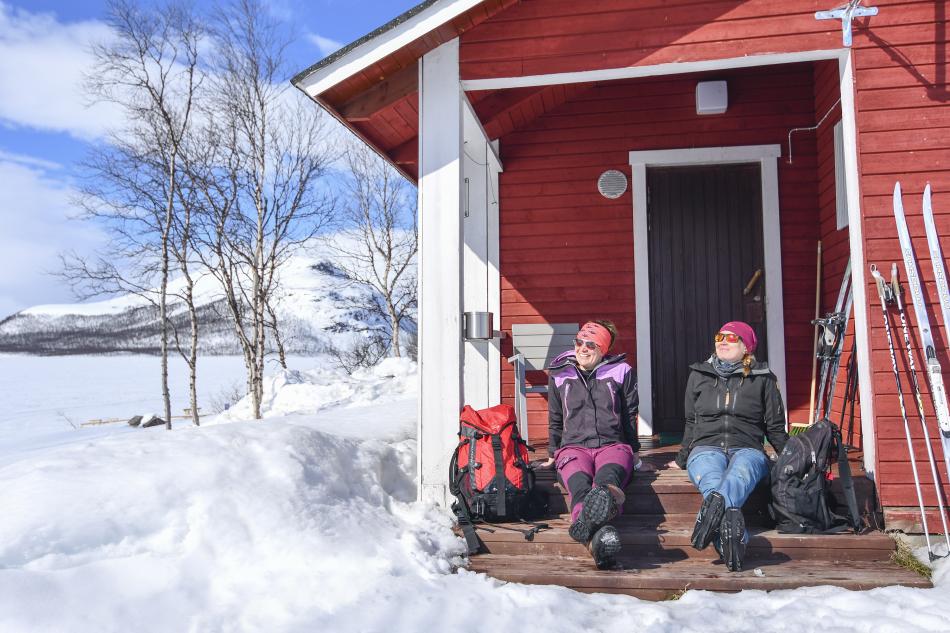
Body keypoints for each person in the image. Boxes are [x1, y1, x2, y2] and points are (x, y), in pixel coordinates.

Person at [668, 321, 788, 572]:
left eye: (732, 338)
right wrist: (681, 458)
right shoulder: (698, 374)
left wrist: (789, 456)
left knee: (741, 472)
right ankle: (735, 538)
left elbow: (774, 425)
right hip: (705, 446)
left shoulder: (763, 378)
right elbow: (691, 421)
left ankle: (716, 516)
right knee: (710, 475)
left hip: (747, 447)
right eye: (719, 336)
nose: (722, 341)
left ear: (746, 347)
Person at [540, 320, 655, 569]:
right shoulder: (560, 373)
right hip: (572, 448)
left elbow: (629, 414)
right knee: (580, 485)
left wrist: (634, 454)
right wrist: (553, 453)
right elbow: (556, 417)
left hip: (612, 446)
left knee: (606, 483)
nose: (582, 348)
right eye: (579, 342)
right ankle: (599, 540)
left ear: (602, 348)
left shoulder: (621, 371)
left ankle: (586, 531)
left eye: (591, 344)